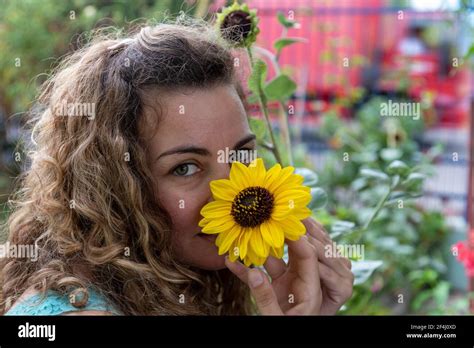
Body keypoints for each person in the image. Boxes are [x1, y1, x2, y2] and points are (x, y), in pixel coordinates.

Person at [0, 20, 353, 315]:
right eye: (185, 168)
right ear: (110, 188)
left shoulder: (180, 288)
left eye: (242, 155)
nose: (234, 192)